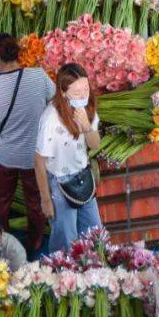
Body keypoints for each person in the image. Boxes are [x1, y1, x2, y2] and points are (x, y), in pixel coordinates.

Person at [0, 33, 54, 257]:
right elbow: (56, 104)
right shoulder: (39, 77)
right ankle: (34, 243)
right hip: (34, 158)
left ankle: (1, 244)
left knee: (1, 203)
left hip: (4, 158)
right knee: (35, 204)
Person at [34, 63, 101, 254]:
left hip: (83, 176)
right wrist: (46, 200)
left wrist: (87, 126)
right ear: (63, 93)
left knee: (95, 233)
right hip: (59, 184)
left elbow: (95, 145)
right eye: (77, 92)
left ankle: (96, 273)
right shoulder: (50, 119)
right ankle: (67, 278)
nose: (84, 95)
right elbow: (39, 162)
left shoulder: (87, 108)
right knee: (67, 240)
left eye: (86, 89)